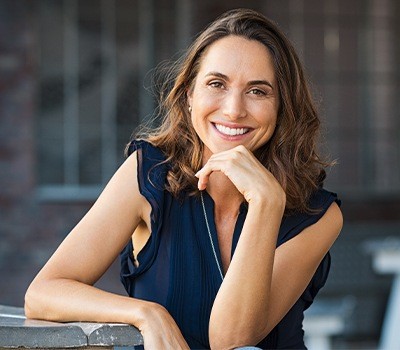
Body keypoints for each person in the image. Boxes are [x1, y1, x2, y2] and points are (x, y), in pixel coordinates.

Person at [25, 8, 343, 350]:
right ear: (190, 94)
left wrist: (267, 203)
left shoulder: (319, 215)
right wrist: (146, 314)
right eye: (216, 84)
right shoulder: (147, 173)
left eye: (258, 91)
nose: (234, 109)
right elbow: (44, 292)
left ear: (282, 107)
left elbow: (229, 338)